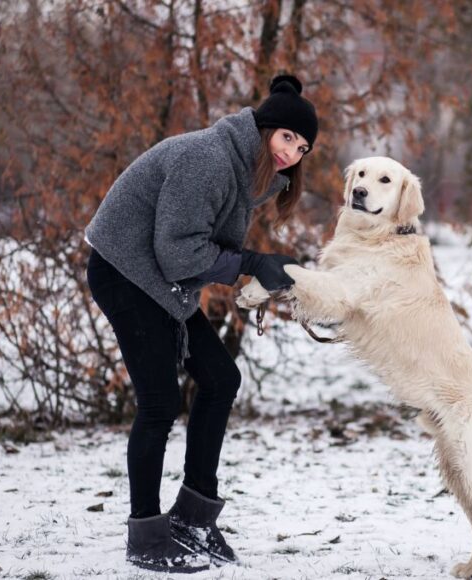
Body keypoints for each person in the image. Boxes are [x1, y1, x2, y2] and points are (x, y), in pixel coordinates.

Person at [83, 74, 317, 573]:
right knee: (160, 401)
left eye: (302, 148)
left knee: (220, 378)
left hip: (158, 278)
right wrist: (252, 263)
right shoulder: (208, 159)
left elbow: (189, 251)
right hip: (124, 271)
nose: (292, 153)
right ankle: (147, 536)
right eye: (287, 138)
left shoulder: (242, 169)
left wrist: (262, 268)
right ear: (264, 128)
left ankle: (193, 520)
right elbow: (178, 254)